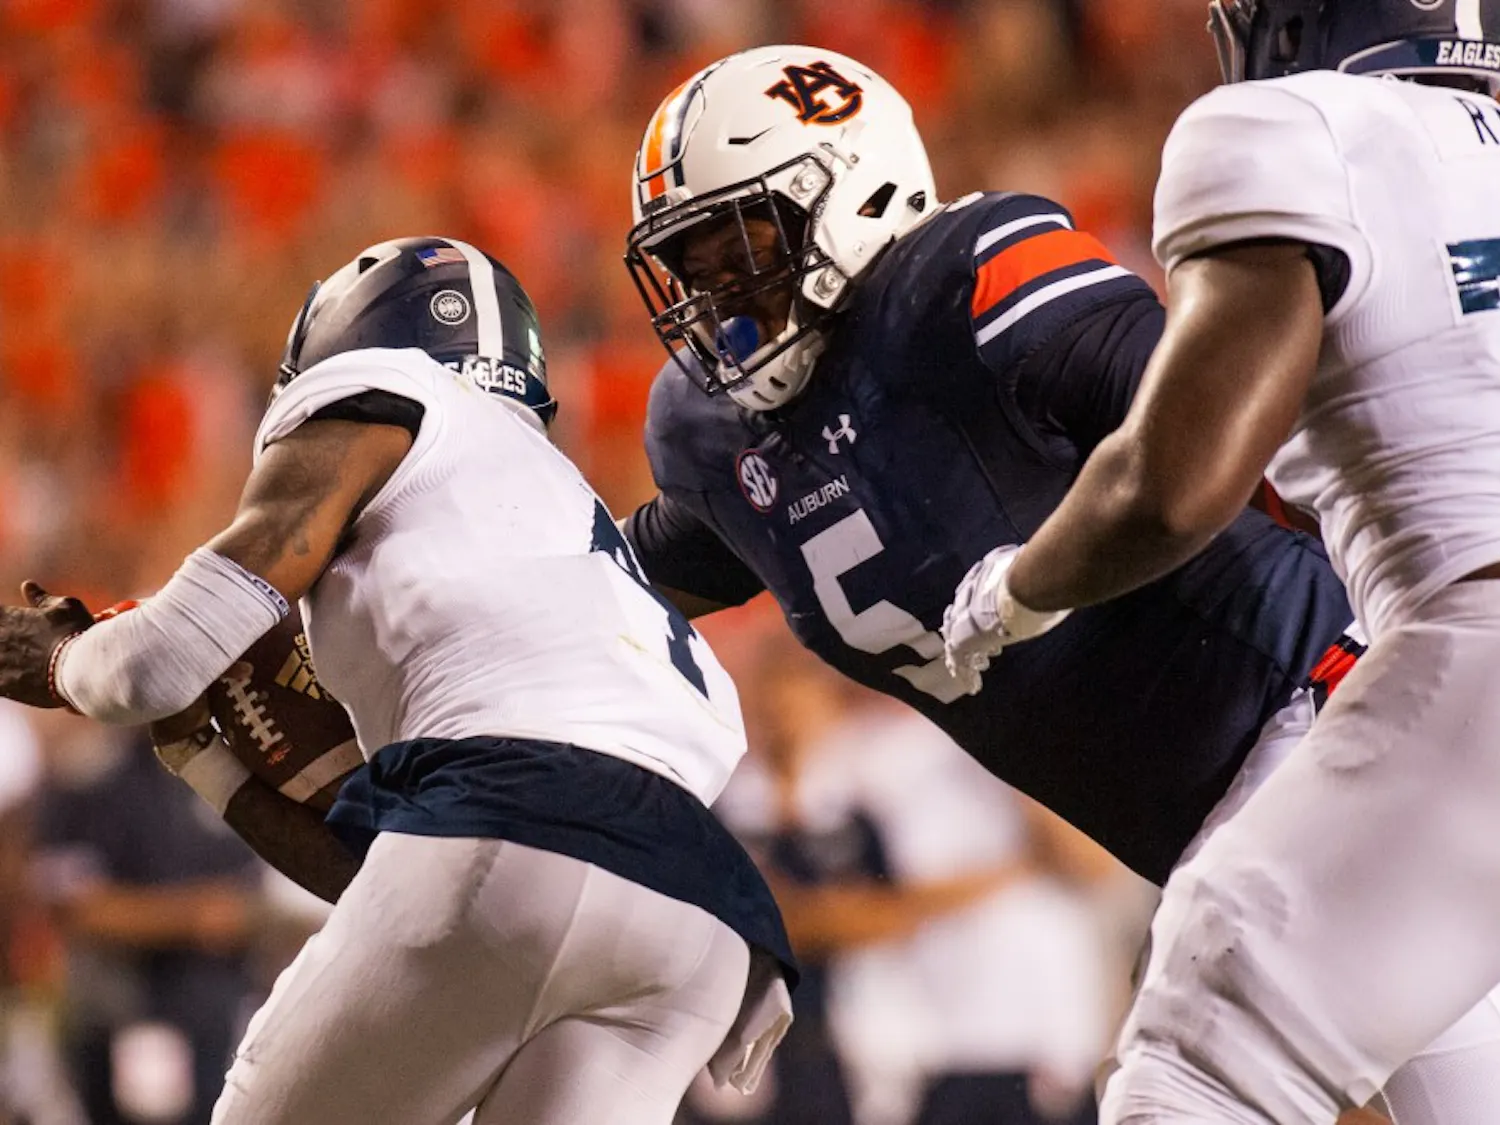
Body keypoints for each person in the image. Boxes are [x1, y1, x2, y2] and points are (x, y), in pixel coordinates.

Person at [619, 43, 1496, 1123]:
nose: (721, 298)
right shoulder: (709, 437)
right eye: (693, 266)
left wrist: (1035, 582)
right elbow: (646, 569)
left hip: (1312, 711)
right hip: (1205, 813)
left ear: (852, 194)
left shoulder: (968, 285)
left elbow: (1209, 444)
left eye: (744, 246)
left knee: (1178, 1084)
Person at [0, 237, 793, 1125]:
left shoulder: (389, 397)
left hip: (511, 837)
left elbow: (158, 658)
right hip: (703, 918)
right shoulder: (560, 540)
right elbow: (380, 871)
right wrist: (199, 753)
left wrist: (57, 661)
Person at [938, 1, 1500, 1122]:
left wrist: (1017, 588)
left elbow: (1177, 484)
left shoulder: (1296, 126)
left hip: (1475, 632)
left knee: (1202, 1062)